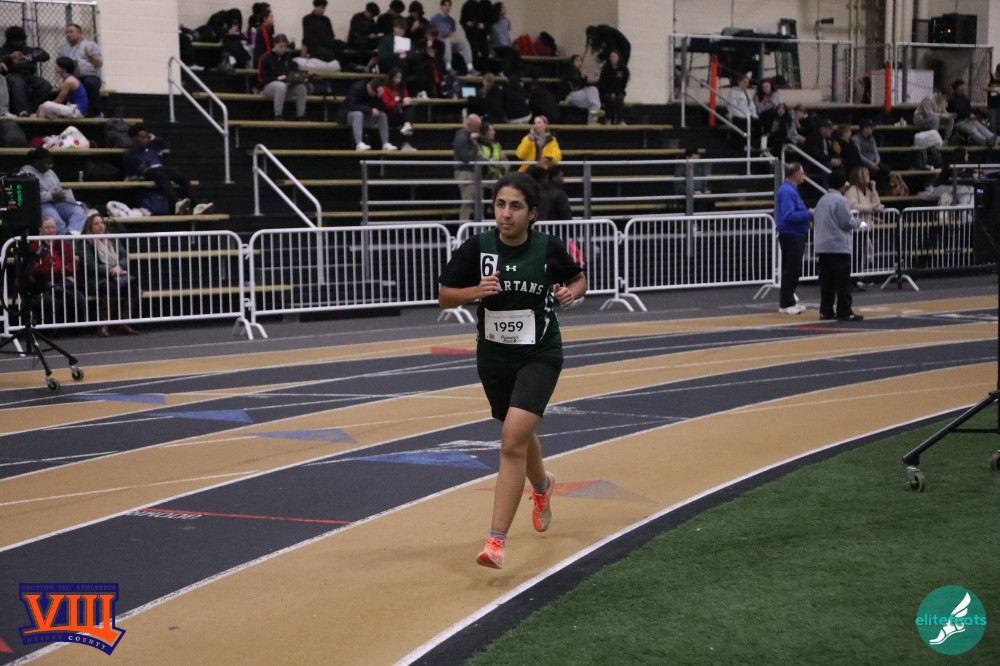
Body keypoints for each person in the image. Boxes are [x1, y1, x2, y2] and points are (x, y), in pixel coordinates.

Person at [437, 171, 587, 569]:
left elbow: (578, 279)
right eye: (501, 205)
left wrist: (570, 293)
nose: (506, 213)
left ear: (532, 213)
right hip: (494, 359)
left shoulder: (547, 248)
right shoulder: (479, 247)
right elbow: (444, 296)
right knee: (518, 434)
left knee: (511, 442)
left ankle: (496, 541)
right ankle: (543, 485)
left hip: (540, 353)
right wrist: (475, 291)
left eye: (516, 206)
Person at [123, 125, 213, 215]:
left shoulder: (153, 147)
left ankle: (196, 205)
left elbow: (165, 145)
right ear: (134, 138)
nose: (145, 139)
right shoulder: (131, 154)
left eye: (147, 137)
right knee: (161, 176)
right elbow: (130, 173)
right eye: (142, 137)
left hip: (161, 168)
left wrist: (154, 138)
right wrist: (140, 169)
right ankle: (176, 202)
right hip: (148, 171)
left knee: (181, 177)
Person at [814, 172, 865, 322]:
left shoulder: (822, 200)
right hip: (838, 246)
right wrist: (858, 223)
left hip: (823, 246)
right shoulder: (840, 200)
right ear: (843, 185)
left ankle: (826, 311)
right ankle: (844, 310)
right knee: (843, 282)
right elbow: (845, 222)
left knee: (826, 283)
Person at [81, 212, 140, 337]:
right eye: (96, 224)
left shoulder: (112, 239)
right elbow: (90, 265)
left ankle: (124, 323)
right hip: (96, 278)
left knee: (133, 288)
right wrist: (110, 270)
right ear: (90, 228)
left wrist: (119, 267)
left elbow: (125, 257)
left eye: (102, 223)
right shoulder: (86, 243)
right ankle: (103, 324)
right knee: (110, 288)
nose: (100, 226)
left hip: (116, 275)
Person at [30, 216, 87, 324]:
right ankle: (51, 329)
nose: (50, 230)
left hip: (63, 280)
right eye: (47, 227)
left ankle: (73, 327)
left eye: (52, 227)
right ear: (40, 230)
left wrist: (62, 270)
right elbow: (34, 267)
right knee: (49, 301)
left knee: (77, 297)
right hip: (43, 283)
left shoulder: (64, 245)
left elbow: (73, 263)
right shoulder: (35, 246)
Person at [18, 148, 87, 234]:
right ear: (37, 162)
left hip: (56, 202)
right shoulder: (24, 174)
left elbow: (57, 186)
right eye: (47, 164)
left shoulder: (51, 173)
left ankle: (72, 235)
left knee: (79, 211)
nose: (49, 166)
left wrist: (62, 192)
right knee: (56, 220)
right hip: (39, 204)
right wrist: (51, 195)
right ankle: (66, 240)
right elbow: (29, 196)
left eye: (51, 164)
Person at [774, 162, 812, 314]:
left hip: (794, 233)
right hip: (791, 234)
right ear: (796, 174)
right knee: (791, 269)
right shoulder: (787, 191)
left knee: (792, 268)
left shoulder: (790, 190)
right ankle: (786, 303)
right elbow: (789, 215)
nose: (804, 175)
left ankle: (788, 300)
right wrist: (808, 213)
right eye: (802, 172)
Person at [0, 26, 52, 117]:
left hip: (29, 75)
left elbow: (45, 55)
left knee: (45, 85)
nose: (18, 43)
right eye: (15, 41)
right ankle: (22, 110)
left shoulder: (28, 50)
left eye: (20, 40)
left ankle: (32, 110)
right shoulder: (3, 51)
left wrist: (29, 58)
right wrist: (10, 57)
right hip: (12, 75)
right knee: (17, 83)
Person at [259, 34, 308, 121]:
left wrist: (297, 77)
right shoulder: (266, 58)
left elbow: (293, 70)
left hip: (286, 84)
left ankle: (301, 115)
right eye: (281, 46)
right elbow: (262, 78)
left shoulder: (287, 57)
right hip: (269, 86)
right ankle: (278, 115)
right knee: (280, 86)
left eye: (285, 47)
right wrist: (277, 78)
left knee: (301, 88)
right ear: (274, 45)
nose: (283, 49)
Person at [58, 23, 103, 118]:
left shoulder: (91, 45)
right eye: (67, 33)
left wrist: (90, 57)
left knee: (90, 83)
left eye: (71, 32)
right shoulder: (64, 48)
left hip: (90, 75)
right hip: (74, 77)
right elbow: (61, 64)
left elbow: (99, 63)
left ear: (79, 33)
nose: (68, 34)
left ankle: (96, 113)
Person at [343, 76, 396, 151]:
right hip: (350, 116)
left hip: (365, 117)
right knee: (358, 114)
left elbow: (383, 108)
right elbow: (351, 105)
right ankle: (359, 143)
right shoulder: (357, 88)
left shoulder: (375, 95)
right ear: (370, 88)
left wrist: (379, 97)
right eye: (375, 93)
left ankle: (385, 143)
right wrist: (369, 110)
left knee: (382, 115)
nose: (375, 95)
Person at [429, 0, 476, 75]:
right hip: (438, 43)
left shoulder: (451, 20)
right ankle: (448, 66)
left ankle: (470, 67)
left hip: (449, 44)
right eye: (445, 5)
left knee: (463, 41)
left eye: (449, 5)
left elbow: (452, 34)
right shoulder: (434, 19)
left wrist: (454, 38)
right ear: (441, 6)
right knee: (447, 41)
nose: (447, 7)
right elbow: (431, 34)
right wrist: (443, 39)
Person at [947, 79, 997, 147]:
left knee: (981, 127)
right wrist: (969, 114)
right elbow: (958, 111)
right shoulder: (952, 99)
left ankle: (994, 139)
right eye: (961, 86)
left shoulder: (965, 98)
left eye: (963, 85)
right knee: (973, 130)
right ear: (956, 88)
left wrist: (980, 112)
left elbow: (970, 109)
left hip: (969, 120)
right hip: (959, 122)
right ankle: (985, 142)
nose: (963, 87)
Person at [297, 0, 343, 72]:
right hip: (321, 55)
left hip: (322, 56)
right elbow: (306, 38)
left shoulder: (326, 20)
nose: (323, 10)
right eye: (321, 8)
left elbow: (306, 40)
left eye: (324, 8)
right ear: (315, 7)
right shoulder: (308, 19)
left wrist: (303, 57)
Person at [453, 112, 481, 220]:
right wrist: (474, 144)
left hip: (472, 172)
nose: (478, 129)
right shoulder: (462, 137)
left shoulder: (468, 135)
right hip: (464, 173)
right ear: (470, 125)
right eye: (476, 127)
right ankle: (463, 227)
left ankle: (478, 226)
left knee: (477, 201)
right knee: (467, 201)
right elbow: (467, 158)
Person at [561, 54, 604, 124]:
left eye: (580, 61)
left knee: (593, 90)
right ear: (572, 62)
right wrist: (582, 79)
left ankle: (592, 121)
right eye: (577, 60)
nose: (579, 62)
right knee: (593, 101)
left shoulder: (579, 73)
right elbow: (572, 87)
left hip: (580, 95)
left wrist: (584, 79)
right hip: (570, 95)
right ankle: (593, 121)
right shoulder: (568, 73)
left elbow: (583, 86)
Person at [851, 119, 890, 194]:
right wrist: (870, 163)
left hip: (874, 162)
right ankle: (869, 191)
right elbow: (859, 155)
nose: (872, 129)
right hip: (863, 163)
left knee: (885, 170)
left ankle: (879, 191)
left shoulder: (871, 139)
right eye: (871, 127)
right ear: (865, 128)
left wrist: (876, 162)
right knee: (869, 171)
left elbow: (876, 152)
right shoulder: (856, 139)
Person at [381, 68, 416, 149]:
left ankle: (406, 142)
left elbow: (405, 99)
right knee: (408, 119)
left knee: (409, 109)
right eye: (396, 77)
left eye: (400, 78)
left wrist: (408, 101)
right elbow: (386, 105)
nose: (398, 80)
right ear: (391, 77)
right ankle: (405, 141)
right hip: (389, 115)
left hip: (399, 112)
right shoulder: (385, 88)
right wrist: (398, 102)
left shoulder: (402, 88)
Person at [804, 118, 842, 188]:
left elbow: (831, 152)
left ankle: (839, 186)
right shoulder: (813, 138)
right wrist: (830, 160)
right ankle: (826, 188)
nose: (832, 131)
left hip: (824, 161)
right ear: (822, 128)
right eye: (829, 128)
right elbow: (816, 154)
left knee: (840, 164)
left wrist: (836, 159)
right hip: (814, 164)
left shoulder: (827, 139)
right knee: (828, 164)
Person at [488, 3, 520, 77]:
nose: (504, 8)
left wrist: (512, 45)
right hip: (496, 46)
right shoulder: (491, 22)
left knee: (516, 53)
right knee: (509, 52)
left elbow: (506, 34)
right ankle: (501, 72)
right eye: (502, 7)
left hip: (506, 45)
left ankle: (517, 74)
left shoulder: (506, 21)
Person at [598, 50, 629, 126]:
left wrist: (616, 92)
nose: (613, 58)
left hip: (619, 91)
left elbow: (623, 84)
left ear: (618, 57)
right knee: (609, 98)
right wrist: (611, 92)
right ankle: (608, 119)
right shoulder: (605, 69)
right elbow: (603, 83)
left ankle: (620, 120)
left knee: (619, 98)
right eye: (611, 57)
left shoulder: (623, 69)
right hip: (607, 91)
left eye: (615, 56)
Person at [460, 0, 491, 73]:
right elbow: (462, 20)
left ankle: (485, 71)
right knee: (474, 50)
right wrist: (467, 24)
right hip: (472, 33)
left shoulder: (487, 4)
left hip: (483, 34)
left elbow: (491, 18)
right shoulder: (467, 5)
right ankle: (474, 69)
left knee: (485, 50)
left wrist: (485, 25)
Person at [725, 73, 759, 140]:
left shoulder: (746, 93)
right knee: (745, 123)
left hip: (747, 116)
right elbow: (732, 108)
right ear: (739, 82)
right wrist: (744, 116)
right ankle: (744, 142)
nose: (746, 84)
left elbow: (752, 107)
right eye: (744, 82)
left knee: (758, 123)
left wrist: (754, 115)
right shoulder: (733, 92)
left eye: (747, 82)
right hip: (736, 116)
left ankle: (756, 142)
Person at [987, 64, 1000, 137]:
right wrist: (994, 90)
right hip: (993, 103)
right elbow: (984, 87)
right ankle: (993, 136)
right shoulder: (991, 77)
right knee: (993, 121)